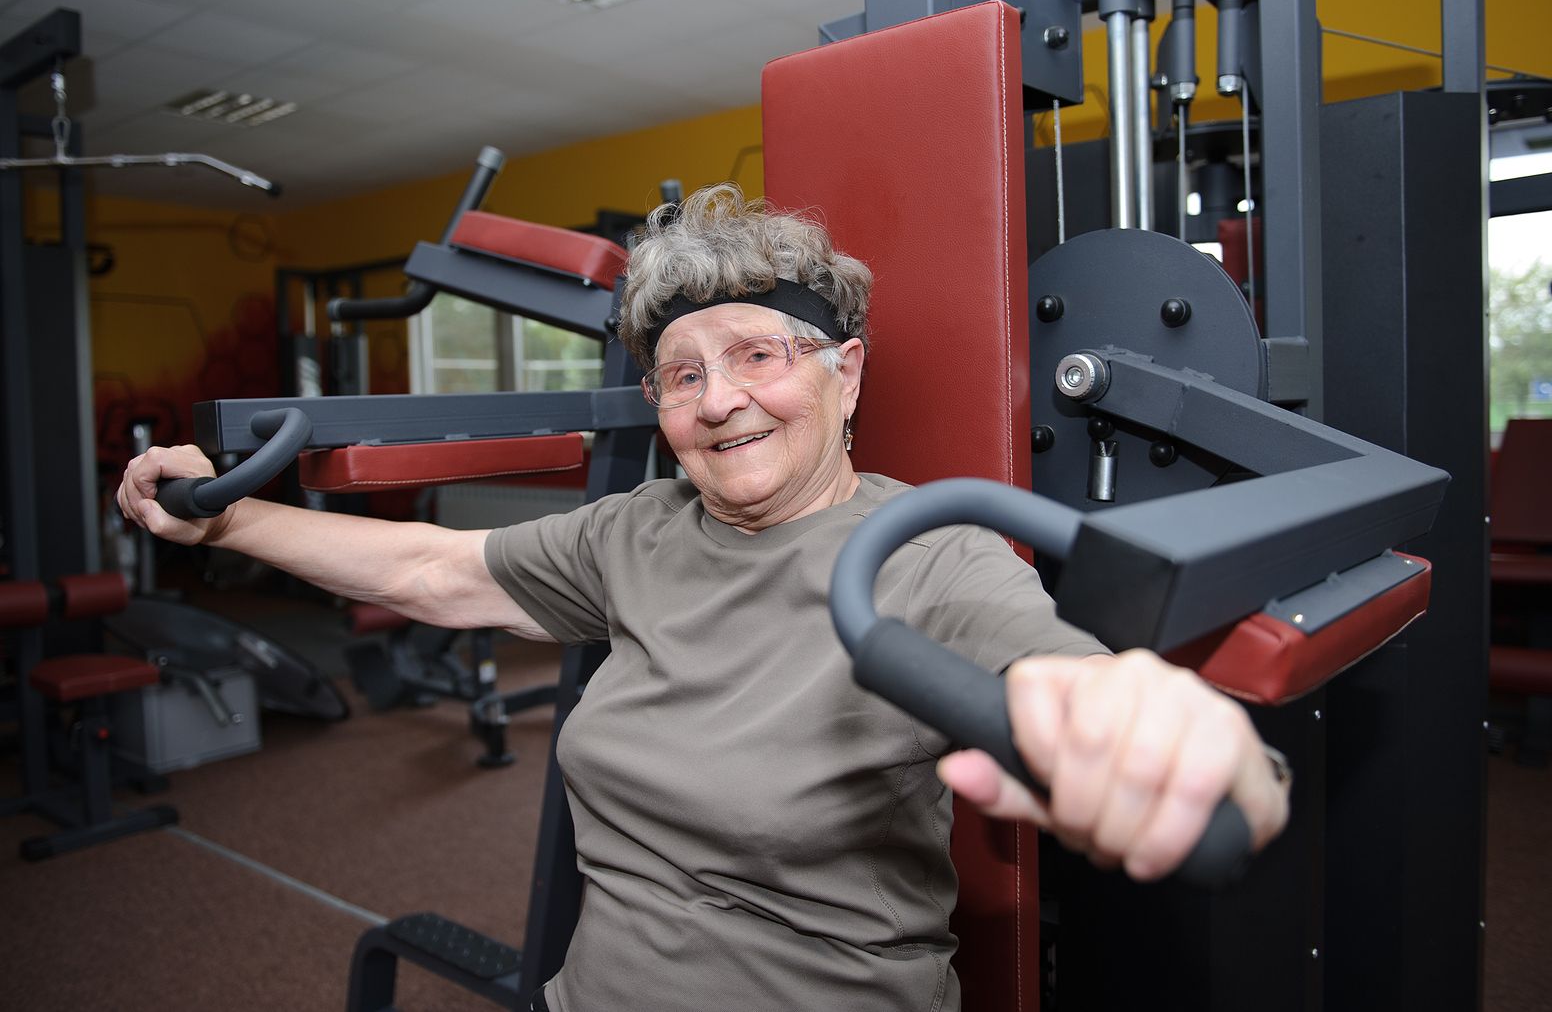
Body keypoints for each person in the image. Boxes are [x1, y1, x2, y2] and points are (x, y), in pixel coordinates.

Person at [119, 184, 1289, 1012]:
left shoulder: (931, 550)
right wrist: (219, 513)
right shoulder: (640, 529)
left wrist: (1168, 741)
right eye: (684, 373)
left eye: (759, 356)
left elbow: (1051, 667)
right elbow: (436, 574)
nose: (719, 401)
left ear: (847, 373)